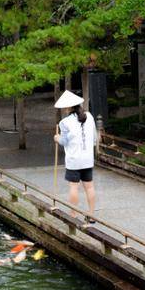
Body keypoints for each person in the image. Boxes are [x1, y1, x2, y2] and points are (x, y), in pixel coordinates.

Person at [54, 90, 97, 221]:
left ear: (68, 107)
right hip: (87, 159)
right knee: (89, 186)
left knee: (74, 187)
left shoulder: (64, 122)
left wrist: (57, 138)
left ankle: (73, 214)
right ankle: (91, 214)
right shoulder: (89, 116)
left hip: (74, 160)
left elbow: (64, 141)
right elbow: (95, 138)